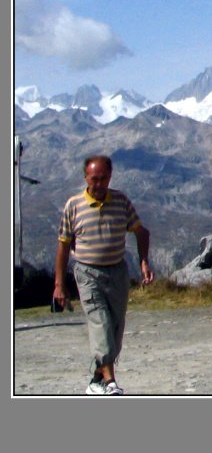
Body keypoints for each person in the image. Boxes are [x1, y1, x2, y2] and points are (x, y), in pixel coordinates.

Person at [53, 154, 154, 395]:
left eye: (104, 179)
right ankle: (110, 382)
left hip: (117, 272)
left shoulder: (121, 201)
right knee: (101, 324)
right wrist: (59, 284)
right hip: (87, 273)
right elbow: (63, 245)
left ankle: (97, 379)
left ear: (110, 177)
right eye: (94, 179)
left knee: (115, 331)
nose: (99, 184)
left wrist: (144, 262)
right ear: (85, 177)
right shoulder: (74, 205)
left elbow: (142, 232)